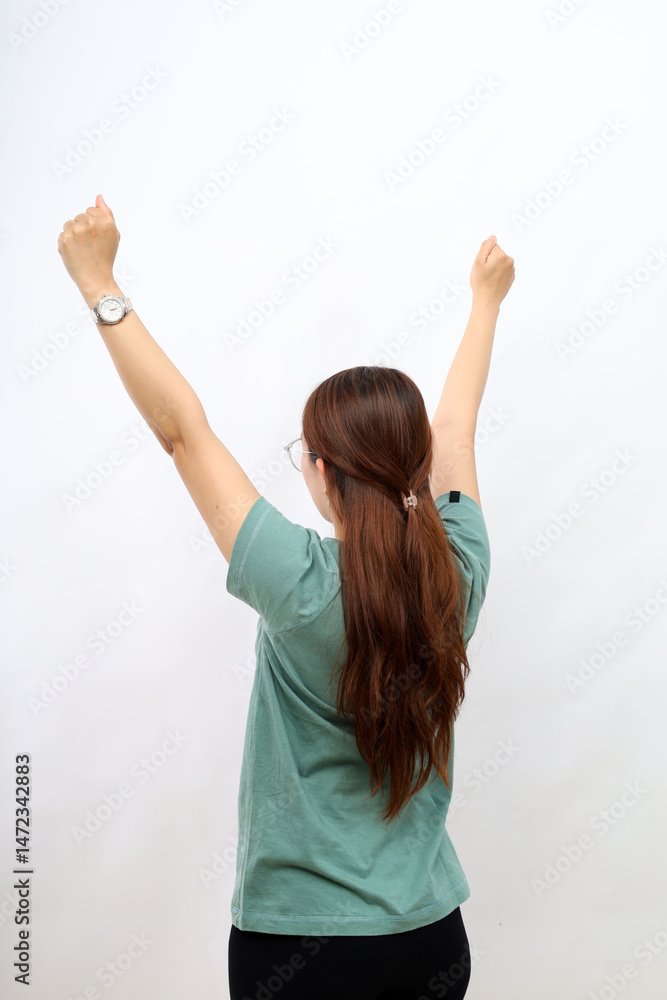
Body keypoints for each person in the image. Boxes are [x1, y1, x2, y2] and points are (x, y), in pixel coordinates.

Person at [57, 197, 515, 1000]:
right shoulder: (458, 571)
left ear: (323, 472)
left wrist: (99, 282)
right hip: (429, 940)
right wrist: (485, 302)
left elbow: (181, 432)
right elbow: (456, 433)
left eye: (306, 452)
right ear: (414, 467)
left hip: (300, 950)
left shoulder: (298, 579)